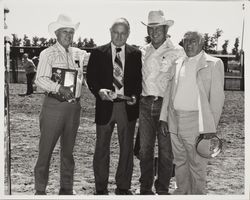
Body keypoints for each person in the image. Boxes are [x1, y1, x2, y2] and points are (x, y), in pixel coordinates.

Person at [159, 31, 225, 194]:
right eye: (185, 41)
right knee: (180, 163)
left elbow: (217, 99)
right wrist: (163, 118)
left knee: (197, 165)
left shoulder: (213, 63)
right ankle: (182, 193)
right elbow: (169, 91)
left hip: (198, 122)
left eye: (193, 41)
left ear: (202, 43)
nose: (188, 44)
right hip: (175, 120)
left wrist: (210, 128)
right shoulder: (177, 62)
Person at [34, 14, 89, 195]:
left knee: (68, 152)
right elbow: (40, 79)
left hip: (74, 107)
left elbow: (98, 61)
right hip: (54, 106)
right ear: (56, 33)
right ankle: (40, 190)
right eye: (64, 31)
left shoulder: (78, 54)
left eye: (71, 32)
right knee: (46, 150)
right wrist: (59, 88)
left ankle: (66, 188)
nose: (68, 35)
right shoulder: (47, 53)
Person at [87, 17, 142, 195]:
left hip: (127, 107)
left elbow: (139, 81)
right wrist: (98, 92)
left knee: (126, 149)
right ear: (110, 32)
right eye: (115, 32)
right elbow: (91, 79)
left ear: (128, 34)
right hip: (105, 106)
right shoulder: (97, 52)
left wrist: (135, 96)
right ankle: (101, 187)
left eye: (123, 33)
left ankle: (123, 186)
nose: (119, 36)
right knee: (101, 148)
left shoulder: (135, 53)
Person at [139, 10, 185, 195]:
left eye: (158, 28)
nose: (154, 32)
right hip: (144, 104)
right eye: (151, 28)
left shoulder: (178, 51)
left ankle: (163, 188)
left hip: (166, 106)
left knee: (166, 152)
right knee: (145, 150)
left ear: (166, 29)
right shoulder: (143, 50)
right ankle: (145, 188)